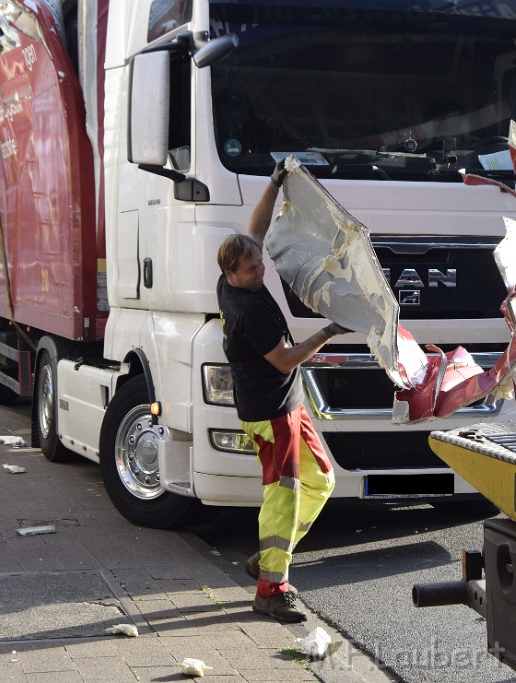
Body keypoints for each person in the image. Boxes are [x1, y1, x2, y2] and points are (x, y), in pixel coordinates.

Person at [216, 163, 349, 623]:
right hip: (271, 412)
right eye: (252, 269)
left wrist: (272, 182)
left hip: (287, 405)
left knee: (323, 481)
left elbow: (256, 229)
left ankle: (273, 558)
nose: (261, 269)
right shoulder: (250, 311)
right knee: (282, 493)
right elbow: (286, 360)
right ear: (232, 275)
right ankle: (271, 588)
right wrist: (329, 331)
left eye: (260, 263)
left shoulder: (232, 272)